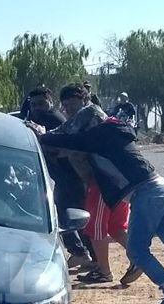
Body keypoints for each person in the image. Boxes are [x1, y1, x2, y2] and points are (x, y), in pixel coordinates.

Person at [31, 117, 164, 304]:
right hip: (162, 189)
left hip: (146, 195)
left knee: (137, 252)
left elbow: (73, 141)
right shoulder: (115, 131)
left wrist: (43, 135)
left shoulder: (101, 134)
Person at [52, 84, 141, 286]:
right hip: (112, 179)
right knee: (114, 226)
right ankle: (138, 259)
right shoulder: (88, 117)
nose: (67, 109)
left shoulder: (89, 113)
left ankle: (105, 270)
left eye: (71, 103)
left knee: (95, 226)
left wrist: (43, 136)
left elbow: (65, 134)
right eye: (64, 106)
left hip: (103, 180)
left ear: (83, 99)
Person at [25, 86, 94, 265]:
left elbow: (62, 145)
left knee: (66, 215)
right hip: (65, 177)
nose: (37, 108)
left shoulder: (53, 119)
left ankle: (82, 254)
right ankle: (87, 255)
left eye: (41, 103)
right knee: (72, 214)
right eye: (33, 105)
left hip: (72, 175)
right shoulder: (39, 119)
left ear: (50, 102)